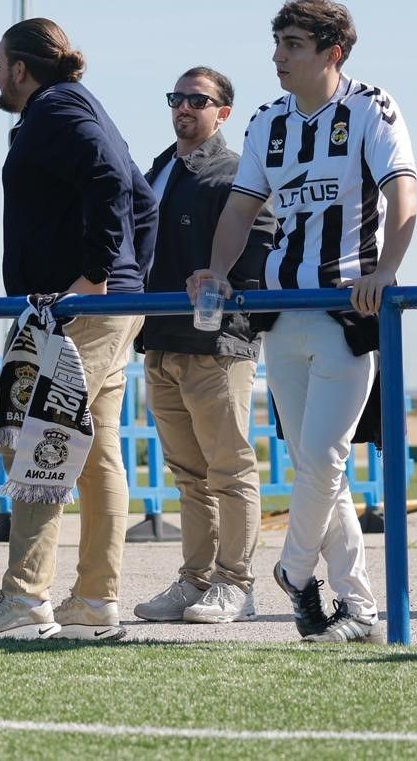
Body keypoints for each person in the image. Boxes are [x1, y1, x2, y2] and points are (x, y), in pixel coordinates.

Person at [190, 0, 417, 645]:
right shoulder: (268, 122)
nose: (278, 56)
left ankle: (293, 570)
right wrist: (216, 272)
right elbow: (239, 214)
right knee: (316, 466)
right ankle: (359, 610)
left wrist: (386, 272)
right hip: (280, 316)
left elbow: (406, 197)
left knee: (323, 456)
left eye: (292, 43)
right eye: (278, 41)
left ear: (331, 52)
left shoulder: (371, 108)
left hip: (346, 314)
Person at [0, 17, 156, 642]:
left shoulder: (56, 109)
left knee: (38, 438)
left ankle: (26, 597)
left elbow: (112, 181)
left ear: (20, 67)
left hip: (78, 312)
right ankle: (95, 599)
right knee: (96, 456)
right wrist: (129, 280)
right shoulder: (76, 106)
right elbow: (142, 201)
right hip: (102, 307)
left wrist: (97, 276)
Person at [134, 66, 274, 625]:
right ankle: (195, 579)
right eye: (177, 98)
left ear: (224, 112)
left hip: (217, 344)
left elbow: (262, 240)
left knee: (229, 469)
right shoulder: (160, 169)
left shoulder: (236, 173)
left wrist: (236, 288)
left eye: (198, 99)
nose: (184, 107)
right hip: (160, 340)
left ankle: (236, 583)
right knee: (189, 474)